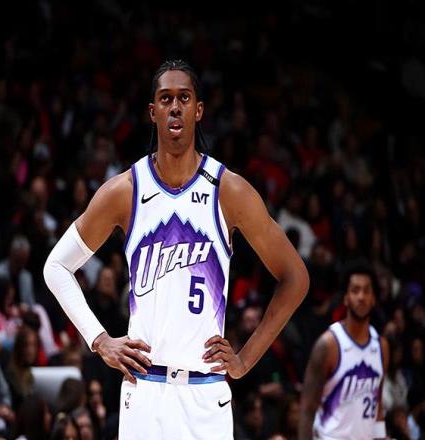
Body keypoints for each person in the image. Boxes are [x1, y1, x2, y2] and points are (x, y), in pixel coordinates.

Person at [44, 59, 309, 439]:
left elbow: (295, 278)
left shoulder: (228, 190)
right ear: (152, 111)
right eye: (165, 98)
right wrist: (99, 340)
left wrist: (245, 360)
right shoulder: (125, 190)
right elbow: (56, 267)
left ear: (198, 110)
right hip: (144, 391)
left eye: (184, 98)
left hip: (206, 394)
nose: (174, 107)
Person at [298, 260, 389, 439]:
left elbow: (377, 402)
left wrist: (381, 436)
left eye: (366, 290)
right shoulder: (328, 344)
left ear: (373, 299)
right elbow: (307, 409)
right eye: (355, 290)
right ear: (346, 297)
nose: (361, 297)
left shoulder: (381, 346)